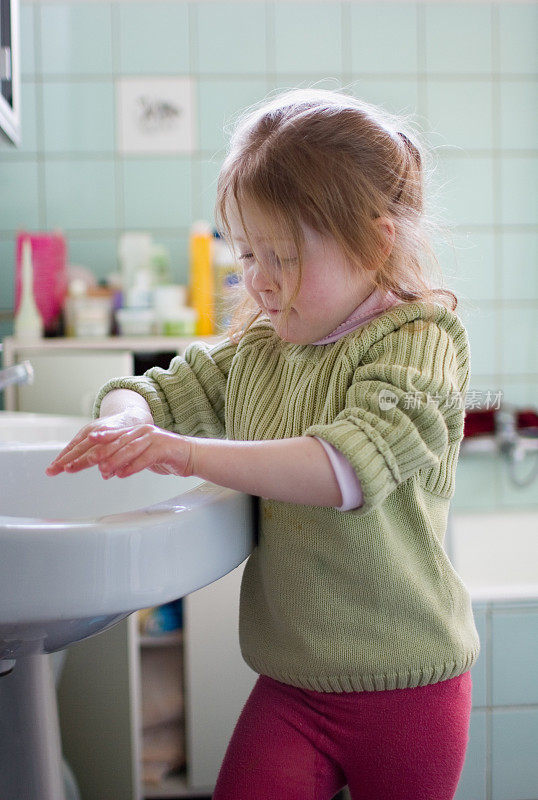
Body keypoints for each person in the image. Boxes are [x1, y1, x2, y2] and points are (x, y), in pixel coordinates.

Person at [47, 88, 480, 800]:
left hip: (410, 687)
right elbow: (159, 390)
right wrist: (128, 420)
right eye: (247, 253)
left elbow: (345, 468)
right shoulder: (262, 346)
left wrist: (181, 452)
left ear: (376, 244)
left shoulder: (421, 344)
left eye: (282, 255)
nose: (259, 280)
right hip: (292, 684)